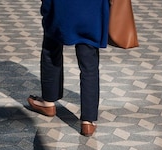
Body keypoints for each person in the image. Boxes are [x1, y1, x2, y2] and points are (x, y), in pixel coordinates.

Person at [27, 0, 110, 137]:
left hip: (61, 6)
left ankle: (48, 102)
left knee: (51, 47)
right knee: (89, 65)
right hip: (93, 8)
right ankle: (88, 121)